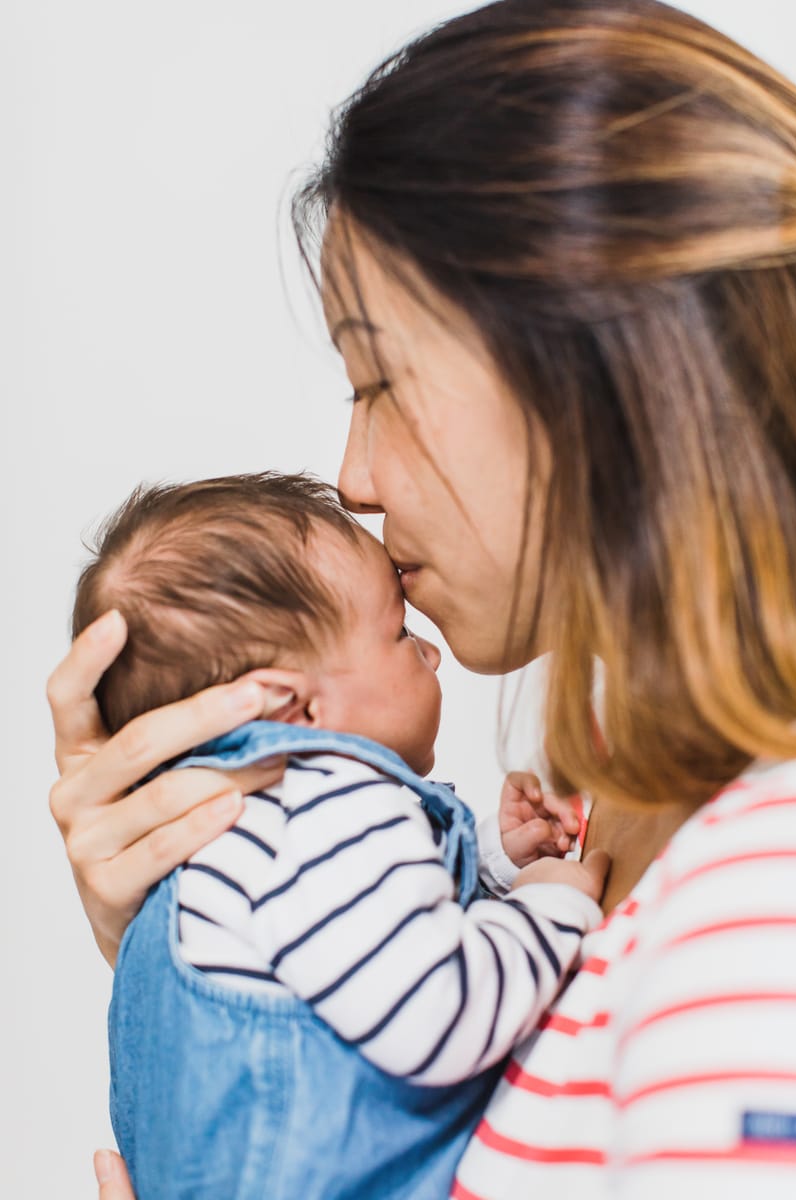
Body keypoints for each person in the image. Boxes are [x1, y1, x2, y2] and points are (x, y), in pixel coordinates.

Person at [47, 0, 796, 1196]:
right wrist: (207, 961)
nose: (352, 478)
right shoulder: (606, 812)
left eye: (378, 380)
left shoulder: (760, 893)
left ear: (595, 368)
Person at [72, 470, 607, 1199]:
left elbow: (371, 942)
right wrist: (548, 906)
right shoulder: (330, 807)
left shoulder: (235, 839)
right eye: (399, 634)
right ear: (296, 709)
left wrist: (492, 858)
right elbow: (436, 1012)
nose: (432, 653)